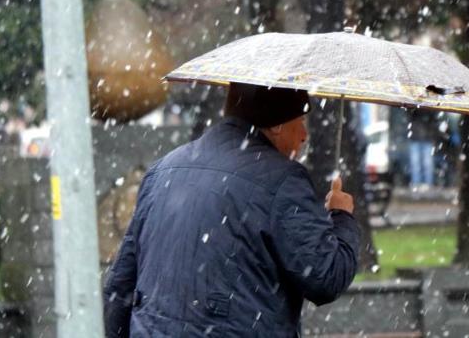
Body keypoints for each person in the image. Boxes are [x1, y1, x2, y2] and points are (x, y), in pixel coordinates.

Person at [104, 83, 360, 337]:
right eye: (301, 121)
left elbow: (120, 285)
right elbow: (326, 278)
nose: (304, 135)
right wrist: (341, 216)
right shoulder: (283, 181)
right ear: (276, 125)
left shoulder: (163, 169)